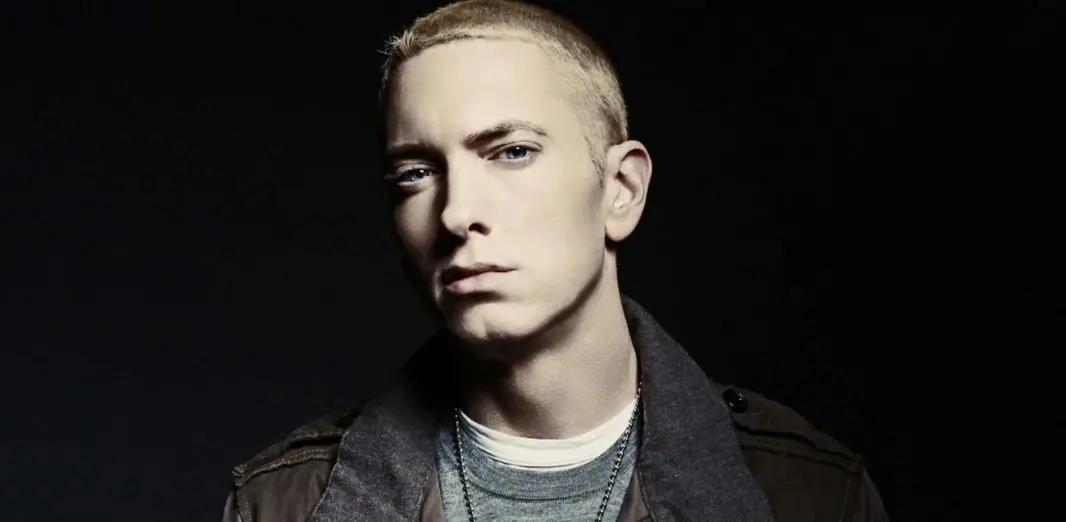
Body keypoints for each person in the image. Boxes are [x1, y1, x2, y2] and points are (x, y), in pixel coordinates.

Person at [222, 1, 889, 520]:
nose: (455, 214)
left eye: (512, 152)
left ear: (621, 190)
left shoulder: (814, 494)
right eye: (416, 173)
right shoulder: (281, 505)